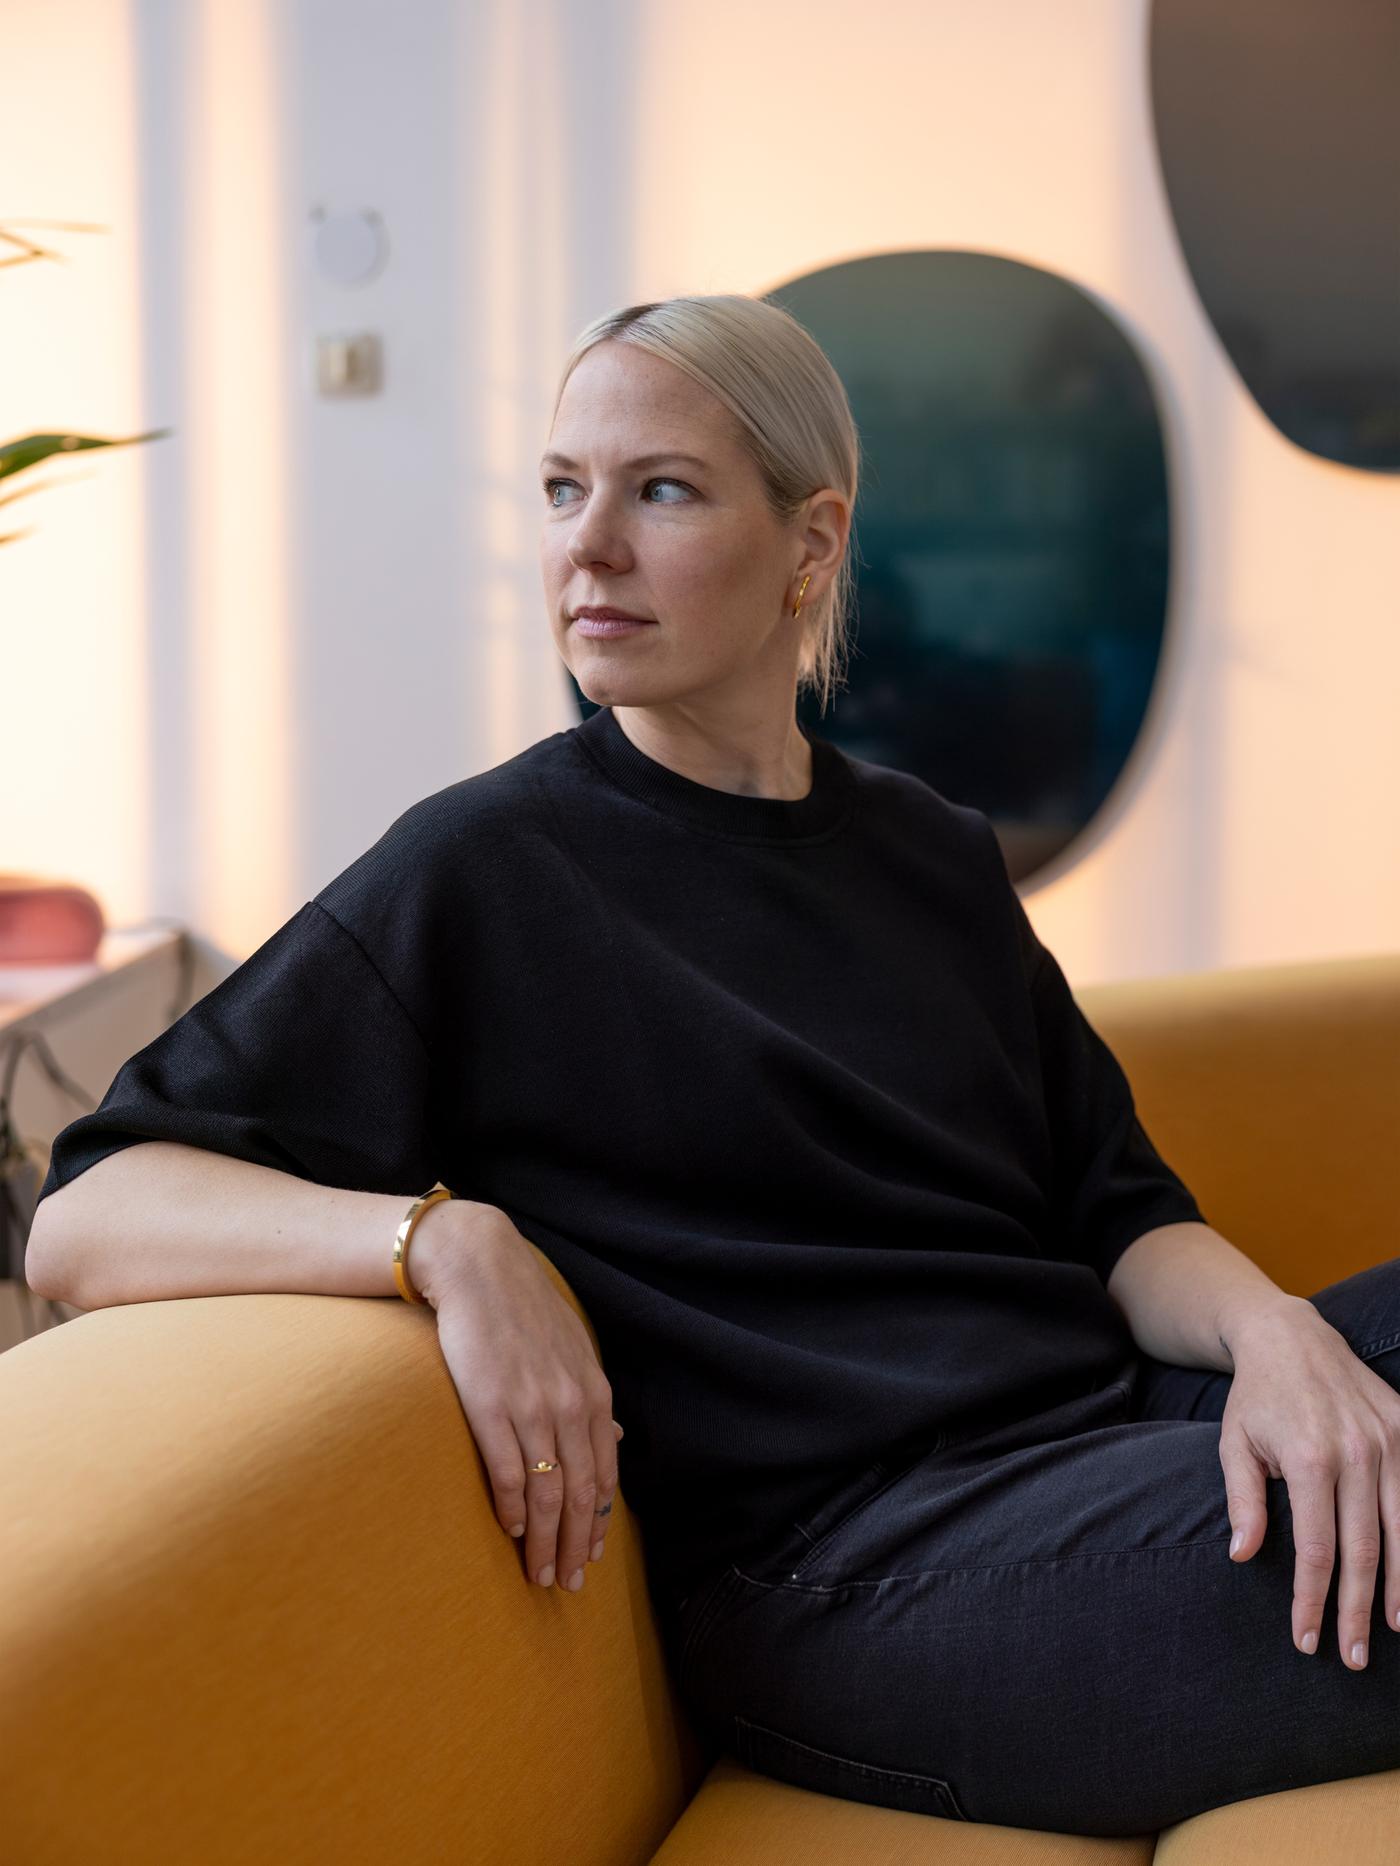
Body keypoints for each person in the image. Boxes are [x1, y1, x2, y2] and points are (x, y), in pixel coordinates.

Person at [25, 293, 1400, 1839]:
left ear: (811, 543)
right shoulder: (486, 869)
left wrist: (1280, 1338)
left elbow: (1119, 1212)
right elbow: (83, 1214)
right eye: (561, 487)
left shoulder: (928, 851)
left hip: (1110, 1423)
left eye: (658, 489)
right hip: (868, 1572)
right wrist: (440, 1238)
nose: (586, 545)